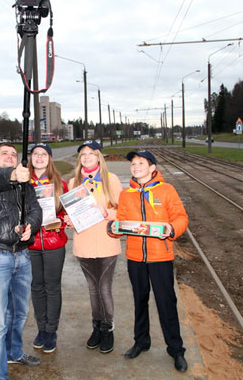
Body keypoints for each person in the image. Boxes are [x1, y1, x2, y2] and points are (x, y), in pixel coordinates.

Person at [112, 150, 189, 372]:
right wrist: (114, 229)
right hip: (135, 257)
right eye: (133, 164)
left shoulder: (166, 190)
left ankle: (176, 349)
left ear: (152, 167)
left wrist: (171, 229)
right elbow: (121, 222)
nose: (135, 167)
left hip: (160, 257)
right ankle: (141, 342)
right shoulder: (127, 194)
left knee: (166, 303)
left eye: (141, 163)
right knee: (139, 301)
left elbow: (181, 217)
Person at [0, 143, 43, 380]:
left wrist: (30, 226)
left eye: (14, 154)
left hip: (22, 255)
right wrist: (12, 174)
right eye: (5, 153)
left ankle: (14, 352)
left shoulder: (26, 185)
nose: (10, 156)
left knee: (19, 312)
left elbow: (35, 209)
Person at [66, 140, 123, 354]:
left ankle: (108, 329)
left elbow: (122, 213)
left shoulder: (111, 180)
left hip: (106, 241)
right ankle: (97, 327)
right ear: (79, 159)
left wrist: (106, 212)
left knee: (104, 288)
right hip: (84, 243)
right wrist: (69, 221)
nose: (87, 157)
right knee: (92, 288)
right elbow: (70, 213)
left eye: (91, 153)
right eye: (83, 154)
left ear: (99, 157)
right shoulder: (73, 183)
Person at [27, 143, 68, 354]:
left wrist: (62, 220)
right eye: (36, 154)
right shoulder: (23, 183)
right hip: (31, 243)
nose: (40, 157)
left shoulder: (60, 183)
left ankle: (51, 331)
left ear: (50, 159)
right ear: (30, 158)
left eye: (44, 154)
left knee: (52, 288)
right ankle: (41, 328)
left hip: (53, 243)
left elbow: (66, 213)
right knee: (36, 287)